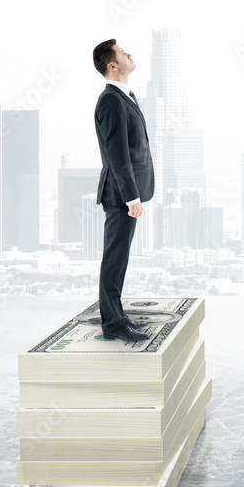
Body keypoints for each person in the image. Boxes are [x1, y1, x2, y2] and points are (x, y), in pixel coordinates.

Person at [92, 39, 155, 341]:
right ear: (112, 65)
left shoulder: (124, 96)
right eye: (122, 53)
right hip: (120, 195)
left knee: (119, 257)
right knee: (115, 258)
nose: (130, 54)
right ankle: (113, 324)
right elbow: (118, 154)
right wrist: (131, 197)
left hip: (126, 193)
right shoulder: (111, 100)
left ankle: (116, 317)